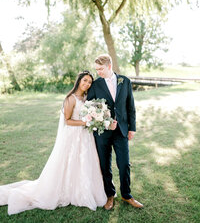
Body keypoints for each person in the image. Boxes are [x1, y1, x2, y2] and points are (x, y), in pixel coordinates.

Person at [0, 71, 110, 215]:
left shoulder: (86, 98)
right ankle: (68, 190)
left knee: (85, 162)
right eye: (85, 80)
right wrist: (85, 122)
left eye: (89, 82)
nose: (87, 84)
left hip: (85, 136)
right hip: (74, 135)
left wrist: (95, 119)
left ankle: (82, 190)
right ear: (79, 81)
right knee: (70, 162)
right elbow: (67, 120)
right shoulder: (70, 99)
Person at [87, 54, 143, 210]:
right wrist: (105, 122)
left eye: (100, 69)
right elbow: (90, 108)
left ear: (109, 66)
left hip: (121, 131)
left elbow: (130, 106)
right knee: (105, 166)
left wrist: (132, 128)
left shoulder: (124, 81)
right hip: (102, 133)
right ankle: (109, 195)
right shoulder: (95, 85)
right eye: (96, 69)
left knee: (124, 164)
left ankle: (127, 195)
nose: (97, 72)